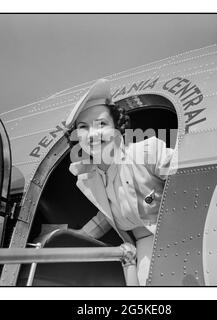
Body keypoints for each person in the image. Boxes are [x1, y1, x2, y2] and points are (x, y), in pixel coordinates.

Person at [64, 78, 176, 286]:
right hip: (144, 244)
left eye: (102, 124)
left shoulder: (148, 152)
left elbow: (187, 176)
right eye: (83, 127)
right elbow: (108, 213)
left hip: (177, 233)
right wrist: (74, 238)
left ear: (117, 126)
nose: (93, 134)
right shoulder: (90, 178)